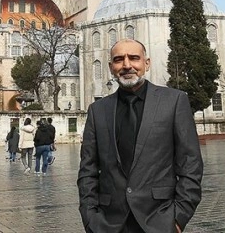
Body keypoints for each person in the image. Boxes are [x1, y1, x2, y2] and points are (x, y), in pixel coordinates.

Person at [78, 39, 203, 233]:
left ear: (146, 63)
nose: (127, 65)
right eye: (119, 60)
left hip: (159, 220)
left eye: (134, 58)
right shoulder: (98, 110)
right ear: (111, 67)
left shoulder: (174, 101)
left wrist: (178, 218)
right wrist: (90, 219)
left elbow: (190, 163)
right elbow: (88, 170)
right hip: (108, 223)